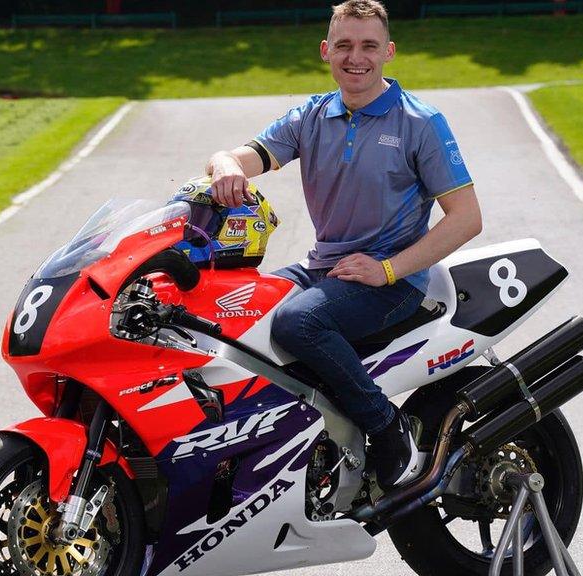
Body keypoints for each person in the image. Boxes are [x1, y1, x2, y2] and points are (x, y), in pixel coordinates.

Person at [204, 0, 482, 490]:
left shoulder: (419, 122)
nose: (357, 57)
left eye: (369, 46)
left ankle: (385, 426)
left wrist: (388, 270)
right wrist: (223, 163)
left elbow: (467, 219)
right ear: (326, 51)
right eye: (345, 45)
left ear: (389, 52)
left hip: (390, 282)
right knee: (230, 309)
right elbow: (244, 157)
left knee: (298, 321)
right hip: (327, 268)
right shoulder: (310, 116)